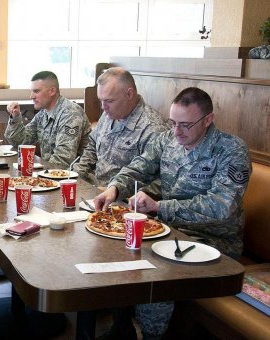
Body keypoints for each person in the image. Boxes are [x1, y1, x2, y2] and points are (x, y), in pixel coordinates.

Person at [93, 87, 251, 340]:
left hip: (213, 241)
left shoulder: (231, 150)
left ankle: (153, 336)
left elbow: (221, 206)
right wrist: (114, 188)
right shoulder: (167, 139)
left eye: (185, 125)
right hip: (169, 231)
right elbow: (139, 167)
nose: (176, 131)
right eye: (173, 122)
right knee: (114, 250)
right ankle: (120, 327)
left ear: (208, 120)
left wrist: (159, 207)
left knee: (157, 271)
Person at [73, 67, 168, 187]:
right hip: (96, 188)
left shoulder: (152, 128)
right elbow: (93, 143)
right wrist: (78, 173)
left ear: (129, 94)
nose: (103, 107)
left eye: (109, 101)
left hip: (123, 199)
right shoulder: (110, 113)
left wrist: (114, 191)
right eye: (101, 101)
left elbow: (156, 180)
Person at [5, 71, 91, 168]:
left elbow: (63, 159)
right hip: (53, 173)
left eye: (36, 91)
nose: (31, 96)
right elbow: (20, 141)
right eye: (32, 91)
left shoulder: (70, 113)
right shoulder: (43, 114)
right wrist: (15, 117)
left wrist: (39, 174)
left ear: (52, 91)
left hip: (73, 178)